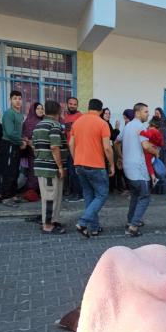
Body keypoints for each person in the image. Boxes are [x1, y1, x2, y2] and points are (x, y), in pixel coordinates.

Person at [70, 98, 114, 238]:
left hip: (79, 164)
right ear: (100, 111)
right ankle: (83, 222)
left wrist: (76, 159)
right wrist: (112, 164)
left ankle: (94, 228)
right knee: (101, 194)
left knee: (89, 195)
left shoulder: (77, 122)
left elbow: (71, 144)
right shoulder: (102, 123)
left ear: (88, 108)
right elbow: (107, 148)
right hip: (96, 165)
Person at [117, 102, 156, 237]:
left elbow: (117, 141)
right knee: (145, 197)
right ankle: (133, 226)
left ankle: (130, 221)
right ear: (138, 112)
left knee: (135, 195)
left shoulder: (128, 126)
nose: (148, 114)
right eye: (146, 111)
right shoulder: (140, 127)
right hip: (139, 169)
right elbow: (146, 146)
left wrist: (120, 157)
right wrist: (156, 152)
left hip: (128, 169)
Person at [33, 100, 68, 234]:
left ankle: (52, 220)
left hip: (43, 166)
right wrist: (60, 166)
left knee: (53, 195)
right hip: (50, 169)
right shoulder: (54, 125)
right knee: (50, 196)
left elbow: (33, 146)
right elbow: (54, 147)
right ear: (58, 111)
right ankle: (47, 225)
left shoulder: (38, 125)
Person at [0, 90, 25, 206]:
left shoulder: (19, 114)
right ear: (10, 100)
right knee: (9, 171)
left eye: (19, 98)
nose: (18, 101)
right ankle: (6, 197)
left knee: (15, 171)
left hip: (15, 145)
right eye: (15, 98)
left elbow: (17, 132)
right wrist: (21, 141)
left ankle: (13, 194)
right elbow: (9, 133)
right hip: (9, 144)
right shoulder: (9, 113)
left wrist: (22, 140)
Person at [21, 102, 45, 197]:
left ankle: (41, 191)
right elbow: (24, 136)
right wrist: (30, 143)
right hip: (32, 151)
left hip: (44, 151)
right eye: (38, 108)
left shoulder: (44, 121)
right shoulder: (28, 122)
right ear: (33, 110)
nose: (40, 110)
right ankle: (32, 191)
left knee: (42, 171)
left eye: (42, 108)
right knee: (33, 171)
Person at [63, 97, 83, 202]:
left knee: (75, 172)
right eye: (70, 104)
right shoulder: (65, 117)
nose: (72, 106)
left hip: (76, 148)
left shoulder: (80, 116)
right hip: (68, 148)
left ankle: (79, 195)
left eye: (74, 104)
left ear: (77, 106)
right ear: (67, 104)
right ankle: (74, 193)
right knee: (71, 172)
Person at [101, 107, 123, 193]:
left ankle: (110, 187)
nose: (108, 115)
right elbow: (111, 137)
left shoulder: (108, 124)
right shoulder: (103, 124)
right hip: (104, 150)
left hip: (108, 148)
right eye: (106, 113)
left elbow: (111, 136)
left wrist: (116, 129)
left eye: (109, 113)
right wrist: (117, 129)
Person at [141, 117, 164, 187]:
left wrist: (139, 131)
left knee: (148, 164)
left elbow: (145, 135)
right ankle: (153, 178)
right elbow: (161, 143)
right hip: (155, 150)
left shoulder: (151, 131)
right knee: (150, 164)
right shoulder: (159, 133)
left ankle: (153, 177)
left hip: (148, 151)